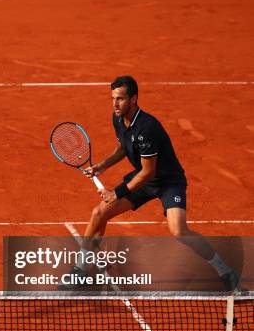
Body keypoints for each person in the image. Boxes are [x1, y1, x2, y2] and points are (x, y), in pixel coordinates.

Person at [60, 76, 241, 291]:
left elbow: (148, 172)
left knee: (178, 230)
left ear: (134, 99)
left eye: (120, 99)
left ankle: (226, 271)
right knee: (99, 213)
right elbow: (123, 148)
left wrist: (116, 193)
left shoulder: (148, 127)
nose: (115, 104)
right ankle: (80, 270)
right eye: (113, 99)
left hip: (168, 181)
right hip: (144, 178)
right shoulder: (118, 119)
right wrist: (103, 165)